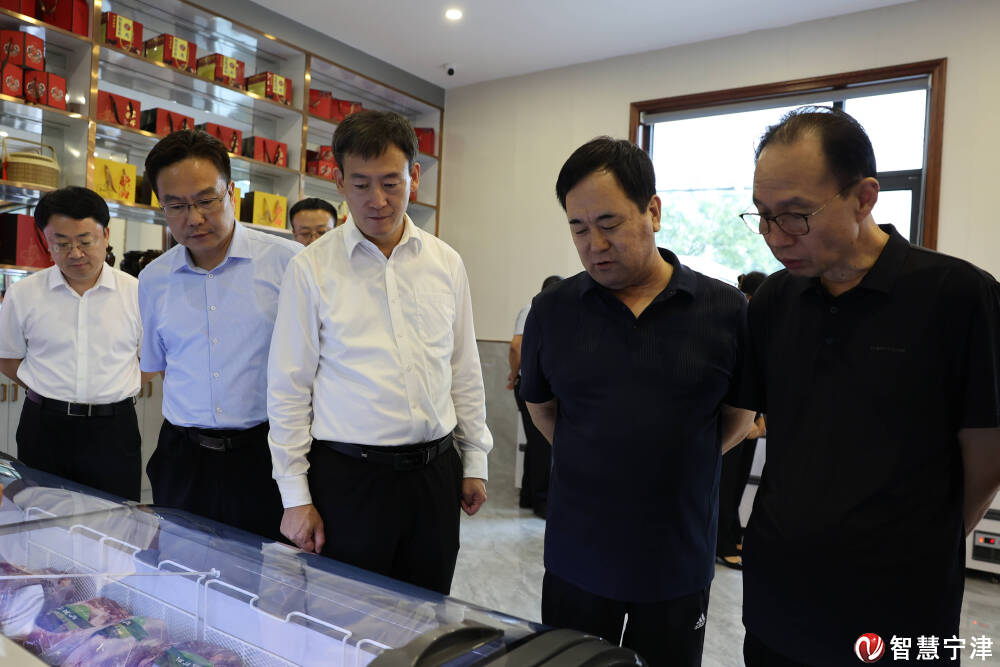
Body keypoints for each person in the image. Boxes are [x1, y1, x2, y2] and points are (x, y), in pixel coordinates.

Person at [738, 106, 1000, 666]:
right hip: (778, 600)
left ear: (864, 197)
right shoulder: (774, 302)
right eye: (762, 215)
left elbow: (987, 454)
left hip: (898, 609)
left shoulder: (958, 296)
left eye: (795, 215)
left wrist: (918, 543)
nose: (775, 237)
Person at [519, 137, 755, 665]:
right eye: (578, 228)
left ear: (654, 211)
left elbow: (738, 419)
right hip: (578, 556)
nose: (595, 244)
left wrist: (670, 457)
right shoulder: (552, 311)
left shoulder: (724, 309)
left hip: (677, 558)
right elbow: (542, 410)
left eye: (609, 223)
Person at [267, 110, 493, 595]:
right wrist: (295, 496)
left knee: (430, 612)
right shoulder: (311, 268)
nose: (378, 200)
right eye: (361, 184)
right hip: (350, 480)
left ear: (415, 176)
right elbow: (289, 388)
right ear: (339, 181)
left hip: (435, 475)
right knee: (347, 614)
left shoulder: (446, 263)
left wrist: (474, 459)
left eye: (391, 182)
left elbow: (463, 369)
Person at [138, 130, 302, 540]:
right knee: (178, 564)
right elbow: (161, 365)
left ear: (231, 193)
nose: (193, 218)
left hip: (264, 455)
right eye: (176, 206)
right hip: (183, 457)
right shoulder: (154, 278)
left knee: (268, 571)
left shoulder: (289, 264)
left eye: (206, 200)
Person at [0, 187, 146, 500]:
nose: (75, 253)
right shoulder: (24, 294)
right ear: (46, 242)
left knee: (115, 520)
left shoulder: (138, 293)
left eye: (84, 241)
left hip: (113, 431)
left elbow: (149, 361)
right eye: (62, 243)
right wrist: (47, 387)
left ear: (105, 235)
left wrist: (112, 390)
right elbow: (7, 358)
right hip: (44, 428)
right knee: (39, 515)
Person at [716, 271, 767, 569]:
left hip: (751, 419)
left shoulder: (759, 328)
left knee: (736, 485)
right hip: (732, 417)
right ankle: (723, 542)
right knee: (725, 485)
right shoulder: (733, 324)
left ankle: (732, 535)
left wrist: (760, 420)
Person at [508, 275, 561, 518]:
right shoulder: (533, 308)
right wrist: (514, 374)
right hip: (531, 385)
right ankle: (542, 502)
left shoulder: (538, 309)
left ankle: (528, 497)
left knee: (534, 442)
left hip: (532, 383)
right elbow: (516, 346)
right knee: (542, 445)